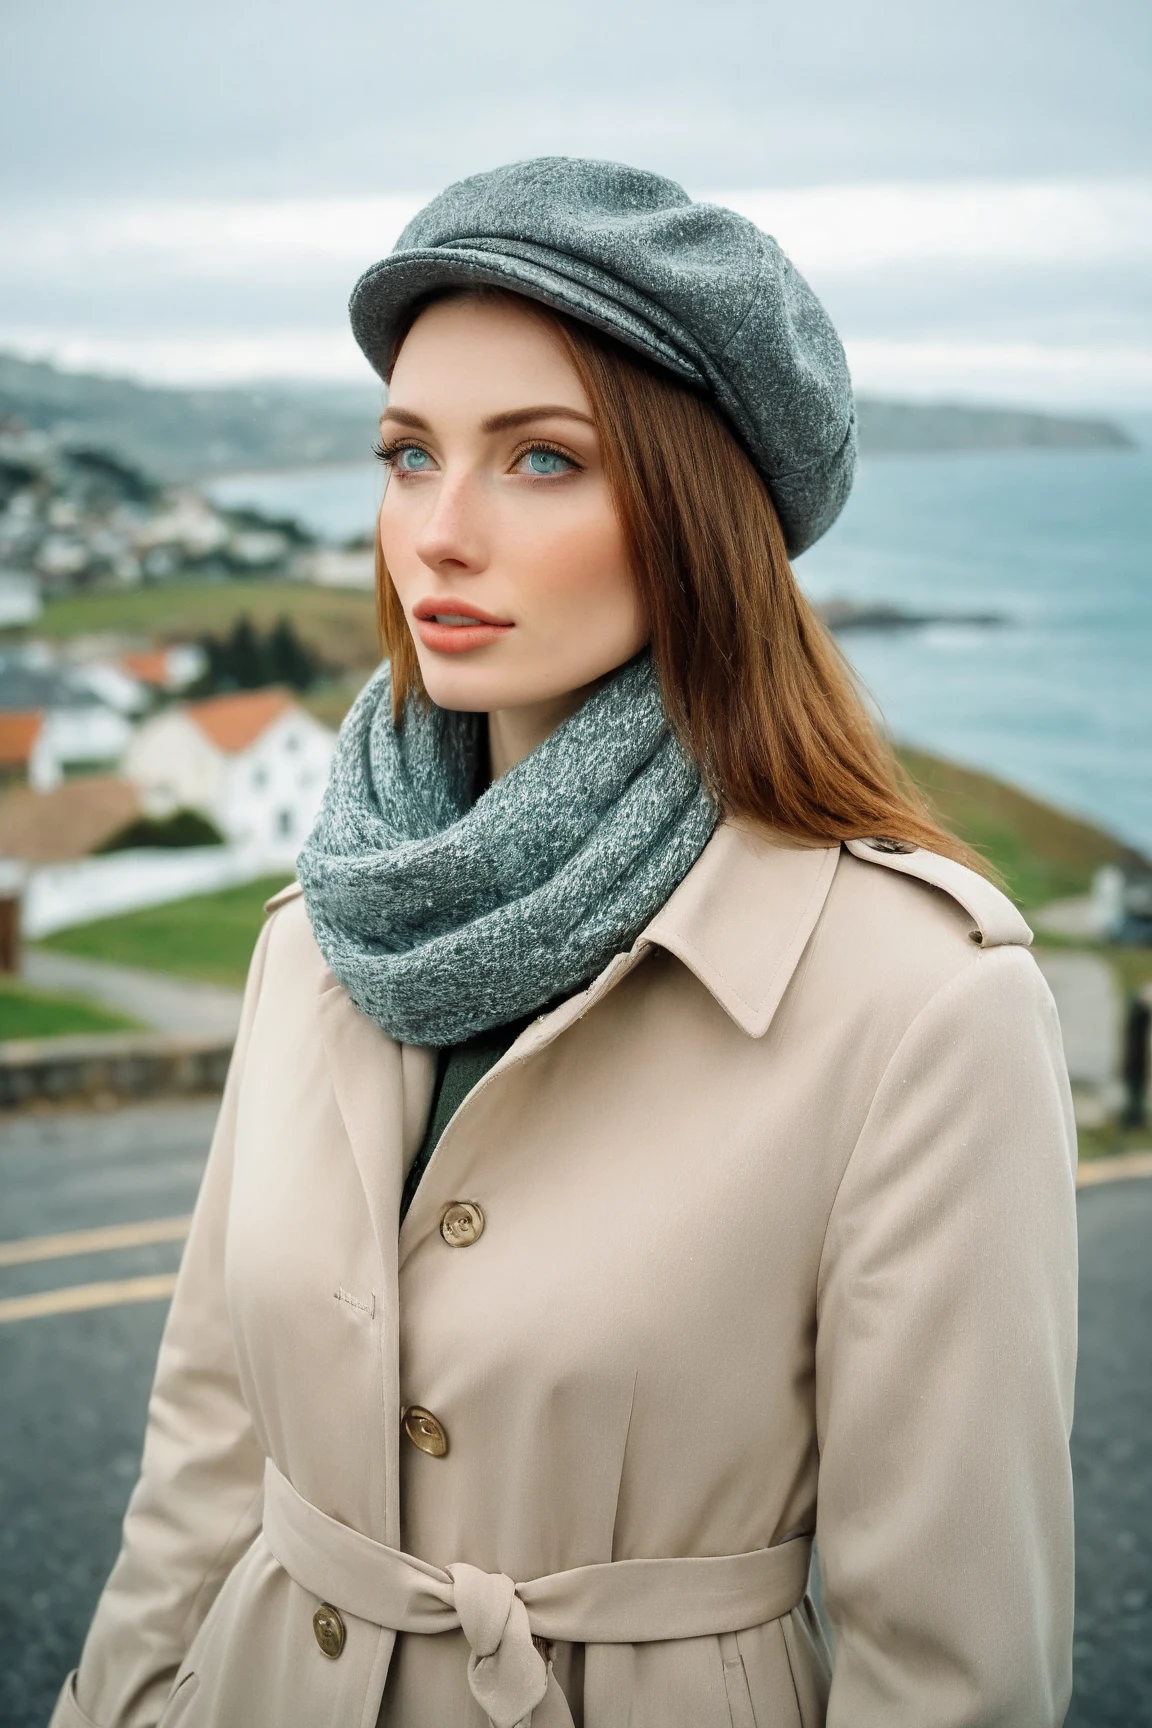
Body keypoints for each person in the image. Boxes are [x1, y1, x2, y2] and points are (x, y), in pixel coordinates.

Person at [52, 158, 1077, 1728]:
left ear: (699, 516)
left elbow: (954, 1670)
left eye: (540, 462)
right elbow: (204, 1456)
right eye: (409, 455)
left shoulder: (923, 1000)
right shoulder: (320, 932)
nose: (438, 534)